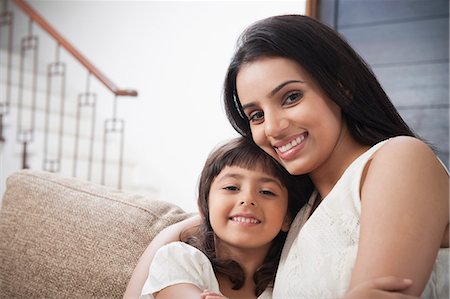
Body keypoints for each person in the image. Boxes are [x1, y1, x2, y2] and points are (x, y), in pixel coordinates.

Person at [125, 14, 449, 298]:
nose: (273, 128)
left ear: (341, 86)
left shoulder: (398, 159)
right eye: (256, 115)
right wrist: (190, 225)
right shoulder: (298, 216)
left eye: (291, 97)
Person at [140, 137, 309, 299]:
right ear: (205, 205)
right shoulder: (179, 259)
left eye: (266, 192)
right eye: (231, 187)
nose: (248, 199)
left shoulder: (290, 284)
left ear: (287, 217)